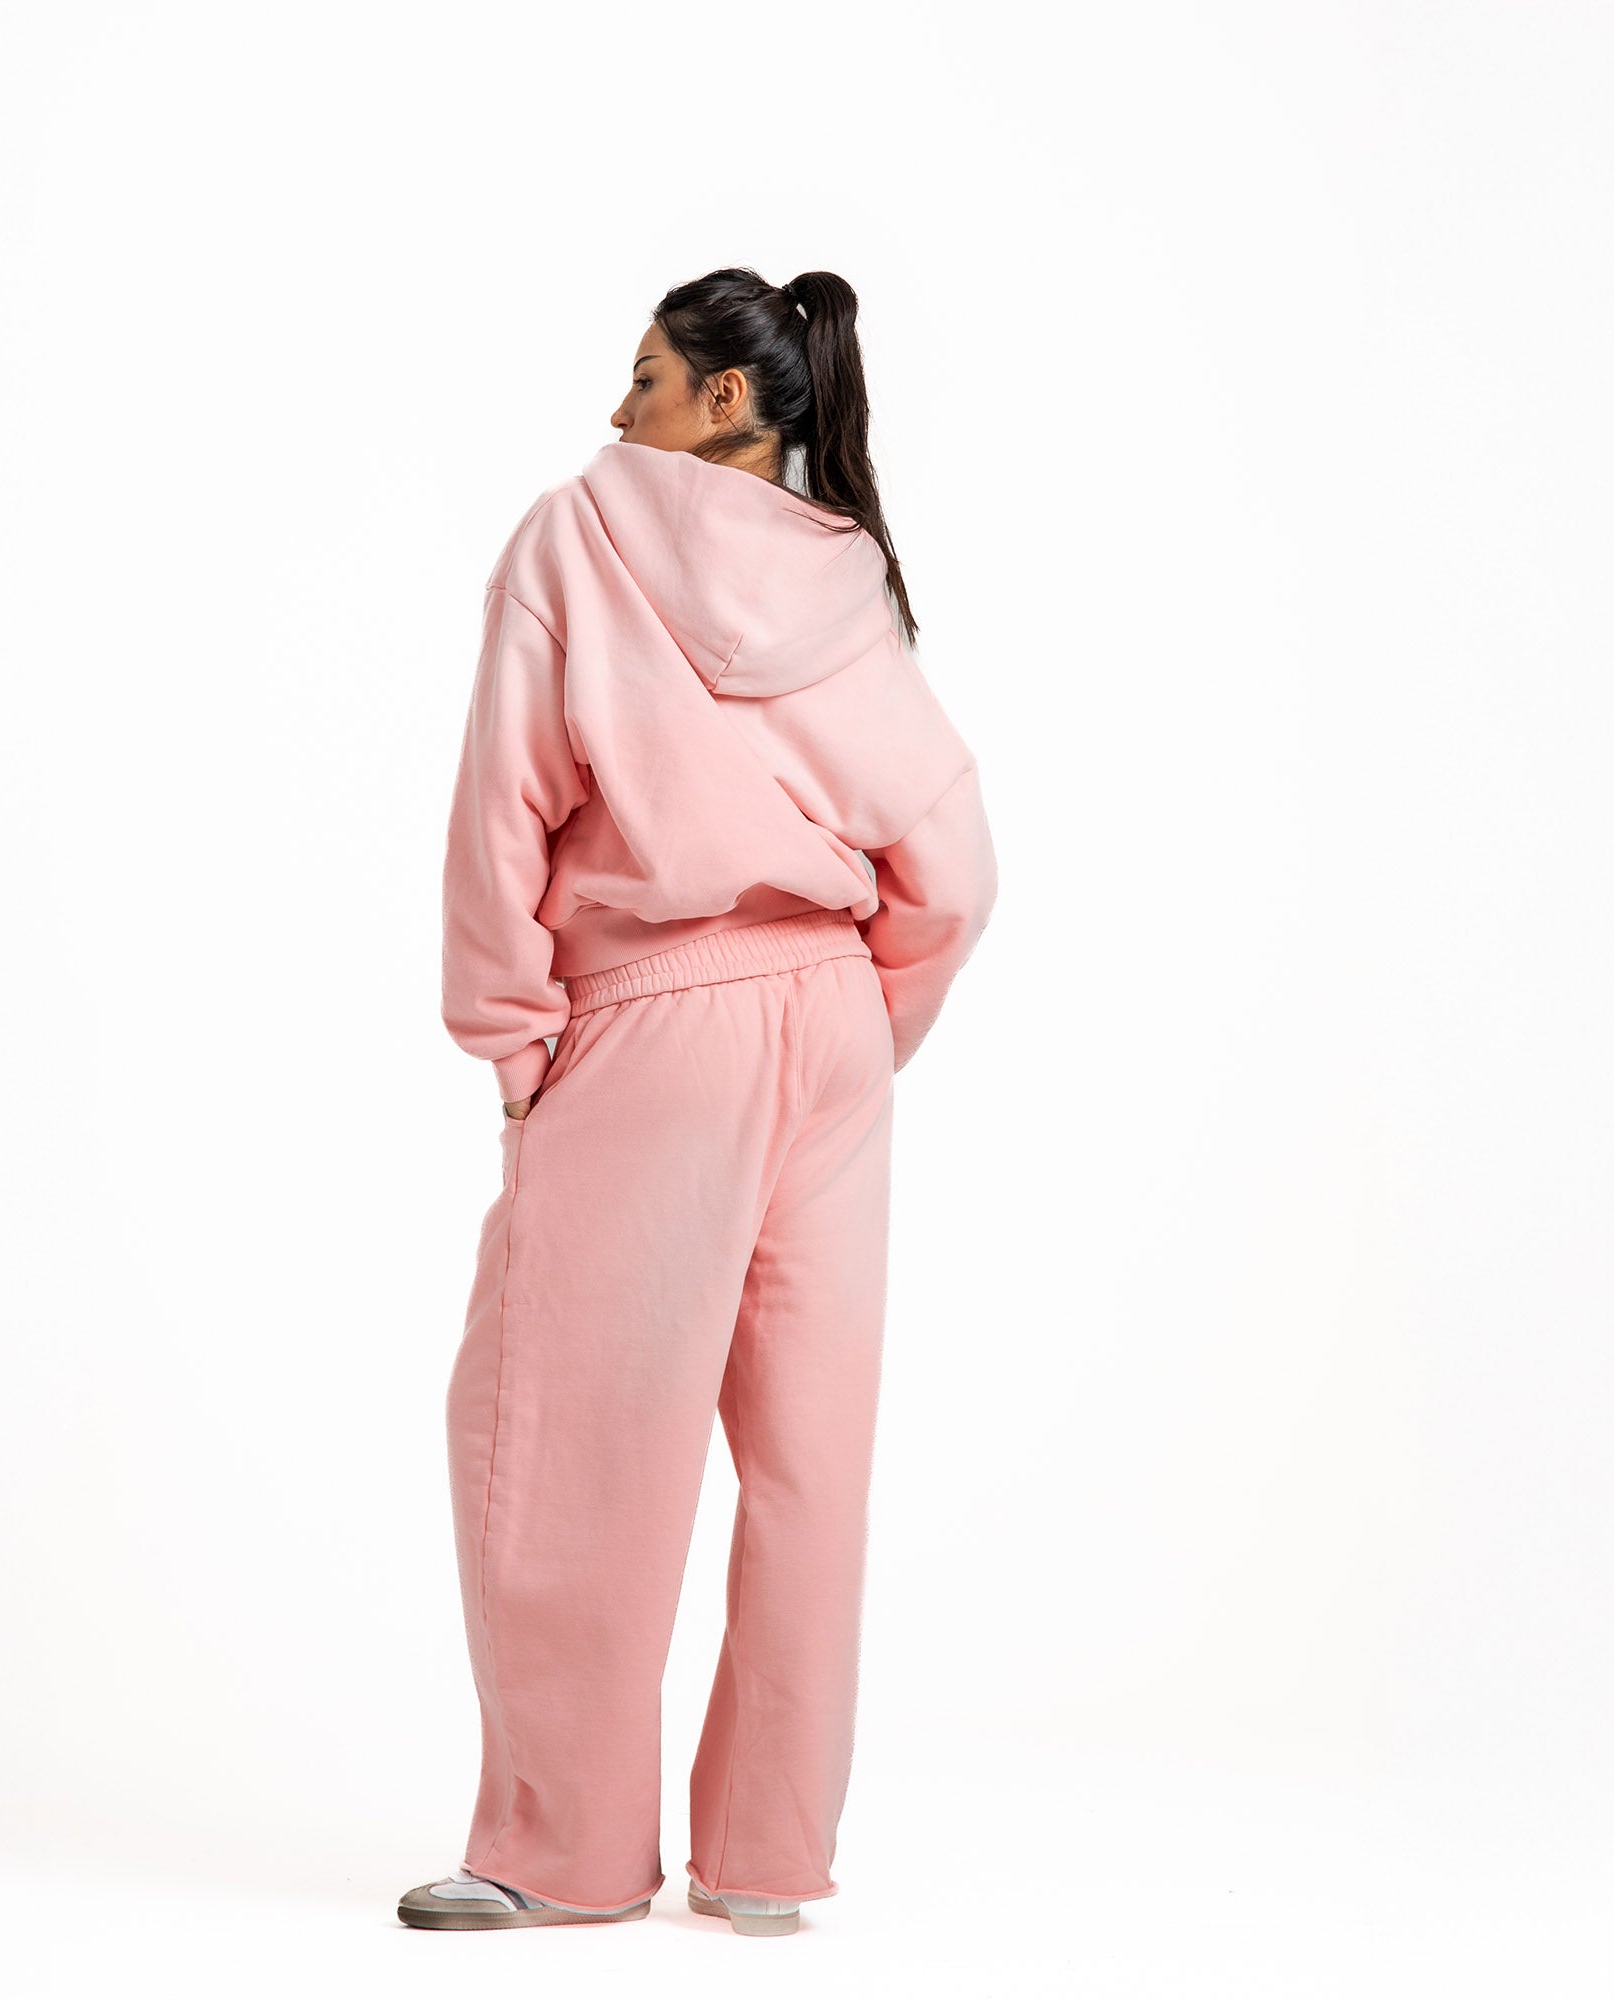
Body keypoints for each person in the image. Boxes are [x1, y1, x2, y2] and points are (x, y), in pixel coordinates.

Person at [398, 267, 999, 1938]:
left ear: (728, 398)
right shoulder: (846, 575)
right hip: (834, 1017)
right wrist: (861, 1026)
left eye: (648, 375)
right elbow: (952, 865)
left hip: (656, 1016)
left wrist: (514, 1039)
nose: (619, 410)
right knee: (809, 1459)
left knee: (564, 1433)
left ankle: (559, 1853)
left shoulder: (578, 537)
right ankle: (765, 1865)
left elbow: (503, 806)